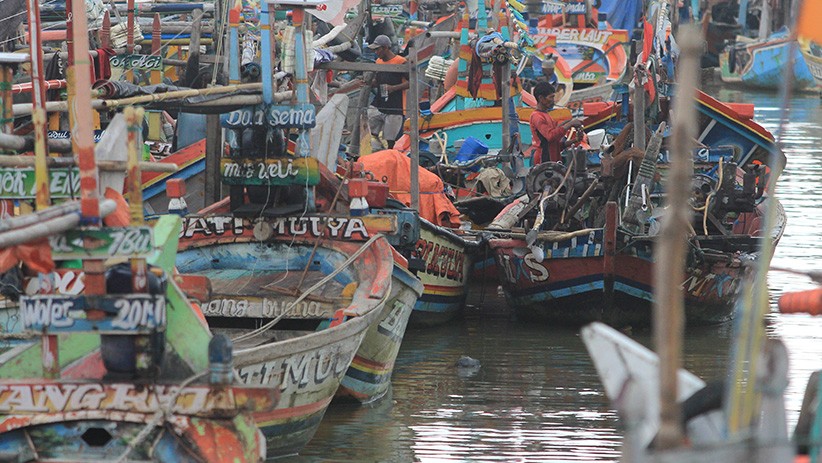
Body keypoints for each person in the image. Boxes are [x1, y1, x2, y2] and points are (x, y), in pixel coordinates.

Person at [367, 34, 409, 150]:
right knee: (370, 119)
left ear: (385, 48)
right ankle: (375, 149)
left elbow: (411, 83)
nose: (376, 52)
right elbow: (378, 80)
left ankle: (389, 155)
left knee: (391, 140)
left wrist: (394, 88)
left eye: (378, 49)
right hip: (380, 102)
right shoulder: (378, 62)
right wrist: (369, 82)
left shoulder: (401, 62)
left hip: (395, 105)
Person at [529, 82, 584, 164]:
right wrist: (570, 124)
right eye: (551, 97)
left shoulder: (545, 115)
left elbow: (555, 146)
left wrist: (575, 140)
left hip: (553, 161)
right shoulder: (537, 117)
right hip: (544, 161)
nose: (553, 100)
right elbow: (551, 136)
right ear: (541, 98)